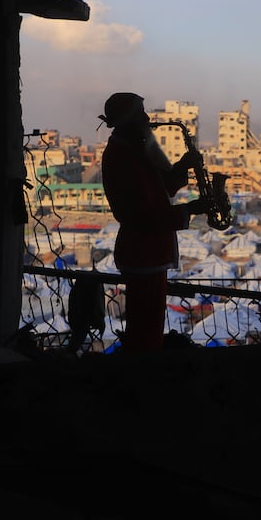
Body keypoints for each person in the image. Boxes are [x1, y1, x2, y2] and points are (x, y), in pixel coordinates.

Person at [98, 92, 211, 352]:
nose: (148, 118)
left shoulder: (134, 149)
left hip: (149, 254)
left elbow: (162, 188)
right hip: (143, 253)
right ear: (128, 121)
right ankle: (143, 371)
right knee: (145, 332)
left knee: (150, 327)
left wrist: (183, 166)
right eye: (141, 113)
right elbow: (139, 215)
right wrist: (190, 209)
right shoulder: (121, 156)